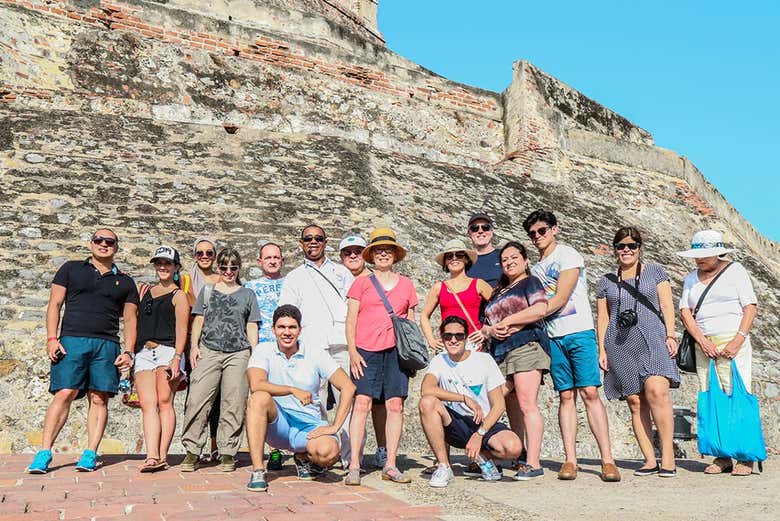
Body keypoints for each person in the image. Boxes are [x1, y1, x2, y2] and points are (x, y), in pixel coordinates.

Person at [27, 228, 138, 474]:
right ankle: (44, 453)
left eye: (109, 241)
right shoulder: (70, 269)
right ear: (91, 243)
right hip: (72, 341)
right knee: (65, 392)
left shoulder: (126, 281)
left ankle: (90, 453)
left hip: (107, 344)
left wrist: (129, 352)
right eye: (99, 240)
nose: (104, 244)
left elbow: (130, 320)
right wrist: (51, 338)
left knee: (99, 398)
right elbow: (54, 304)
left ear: (116, 247)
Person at [523, 210, 619, 482]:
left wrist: (525, 317)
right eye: (532, 234)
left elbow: (561, 296)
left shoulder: (567, 255)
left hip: (578, 331)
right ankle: (570, 459)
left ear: (554, 229)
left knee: (589, 392)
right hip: (553, 336)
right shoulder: (536, 267)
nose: (537, 237)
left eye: (542, 231)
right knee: (566, 396)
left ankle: (607, 460)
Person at [596, 227, 679, 478]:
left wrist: (671, 334)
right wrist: (602, 349)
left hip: (652, 338)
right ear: (615, 250)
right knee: (634, 401)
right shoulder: (606, 281)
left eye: (632, 246)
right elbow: (602, 318)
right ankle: (649, 459)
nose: (626, 250)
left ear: (639, 248)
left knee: (657, 391)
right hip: (620, 344)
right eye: (621, 246)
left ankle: (668, 457)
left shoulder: (654, 271)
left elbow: (666, 305)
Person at [244, 305, 356, 491]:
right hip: (277, 425)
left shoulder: (315, 352)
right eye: (281, 327)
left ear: (299, 330)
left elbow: (348, 387)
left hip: (308, 427)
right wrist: (291, 389)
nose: (286, 332)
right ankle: (258, 470)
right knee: (258, 398)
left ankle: (304, 457)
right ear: (273, 330)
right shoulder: (263, 350)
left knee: (329, 452)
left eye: (292, 327)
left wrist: (335, 426)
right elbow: (256, 384)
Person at [678, 230, 758, 476]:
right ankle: (721, 456)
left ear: (717, 253)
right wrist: (701, 340)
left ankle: (745, 457)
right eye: (697, 256)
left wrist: (738, 339)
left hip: (733, 343)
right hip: (705, 346)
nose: (699, 260)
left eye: (704, 255)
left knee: (737, 394)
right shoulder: (691, 278)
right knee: (709, 396)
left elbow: (750, 307)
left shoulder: (736, 272)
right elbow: (685, 311)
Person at [345, 228, 419, 486]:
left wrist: (413, 354)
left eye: (388, 250)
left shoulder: (407, 284)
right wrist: (352, 351)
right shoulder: (361, 283)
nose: (383, 254)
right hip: (366, 350)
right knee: (362, 404)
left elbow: (410, 323)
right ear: (372, 255)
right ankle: (355, 464)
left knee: (395, 406)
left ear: (395, 255)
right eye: (378, 250)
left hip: (396, 353)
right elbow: (351, 319)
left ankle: (390, 463)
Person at [278, 224, 355, 466]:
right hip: (313, 346)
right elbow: (288, 313)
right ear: (301, 243)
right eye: (308, 238)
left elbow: (355, 306)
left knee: (348, 399)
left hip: (342, 342)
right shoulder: (294, 277)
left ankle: (349, 456)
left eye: (318, 238)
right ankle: (318, 450)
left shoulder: (343, 273)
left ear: (325, 242)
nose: (313, 242)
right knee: (316, 402)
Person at [181, 248, 260, 472]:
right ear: (218, 267)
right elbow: (198, 320)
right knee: (197, 399)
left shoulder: (247, 294)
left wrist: (254, 354)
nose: (228, 271)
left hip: (238, 352)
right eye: (224, 267)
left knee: (233, 402)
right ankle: (192, 450)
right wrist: (194, 347)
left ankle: (228, 451)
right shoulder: (207, 291)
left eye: (233, 267)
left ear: (239, 268)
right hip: (209, 349)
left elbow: (251, 324)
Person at [420, 316, 523, 487]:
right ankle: (444, 466)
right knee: (427, 402)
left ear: (466, 338)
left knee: (513, 447)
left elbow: (499, 406)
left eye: (459, 336)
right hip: (455, 423)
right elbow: (426, 389)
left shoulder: (483, 360)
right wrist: (463, 398)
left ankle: (484, 457)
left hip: (483, 423)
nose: (453, 340)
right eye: (448, 336)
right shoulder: (439, 360)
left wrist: (479, 434)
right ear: (442, 338)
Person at [482, 241, 550, 480]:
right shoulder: (498, 291)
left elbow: (540, 309)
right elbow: (486, 325)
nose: (509, 262)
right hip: (500, 352)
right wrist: (491, 331)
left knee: (526, 403)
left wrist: (508, 322)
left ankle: (533, 461)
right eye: (505, 260)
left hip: (526, 346)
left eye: (514, 257)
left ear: (525, 260)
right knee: (507, 404)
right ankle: (519, 455)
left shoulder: (530, 283)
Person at [134, 246, 190, 472]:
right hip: (144, 353)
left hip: (168, 351)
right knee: (147, 405)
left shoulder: (179, 296)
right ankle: (151, 455)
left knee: (165, 402)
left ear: (176, 267)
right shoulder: (145, 292)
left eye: (167, 263)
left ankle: (163, 454)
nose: (163, 267)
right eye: (159, 263)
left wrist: (177, 358)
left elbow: (182, 330)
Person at [339, 233, 388, 468]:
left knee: (377, 402)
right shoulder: (336, 276)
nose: (352, 256)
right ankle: (343, 454)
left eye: (357, 251)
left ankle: (379, 449)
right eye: (347, 252)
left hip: (370, 348)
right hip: (342, 346)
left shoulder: (376, 279)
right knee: (351, 402)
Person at [421, 238, 492, 352]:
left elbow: (499, 307)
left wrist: (486, 331)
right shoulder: (438, 287)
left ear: (466, 259)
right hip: (449, 343)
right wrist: (431, 340)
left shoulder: (479, 284)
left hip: (473, 343)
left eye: (459, 255)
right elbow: (424, 315)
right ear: (445, 262)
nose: (454, 258)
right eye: (449, 256)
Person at [188, 237, 221, 463]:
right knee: (197, 397)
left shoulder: (224, 279)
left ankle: (216, 445)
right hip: (197, 343)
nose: (205, 257)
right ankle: (193, 447)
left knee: (219, 398)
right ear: (194, 256)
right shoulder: (187, 279)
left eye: (209, 252)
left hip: (221, 342)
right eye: (200, 253)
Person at [466, 212, 502, 288]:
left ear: (492, 232)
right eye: (474, 228)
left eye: (485, 227)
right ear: (469, 233)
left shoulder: (504, 256)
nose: (480, 231)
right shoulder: (464, 261)